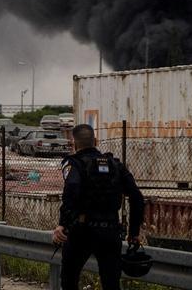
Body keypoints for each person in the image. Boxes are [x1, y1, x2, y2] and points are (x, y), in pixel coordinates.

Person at [52, 123, 145, 290]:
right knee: (111, 283)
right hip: (110, 231)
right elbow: (137, 197)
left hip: (82, 231)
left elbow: (72, 189)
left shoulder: (74, 164)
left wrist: (62, 223)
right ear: (95, 141)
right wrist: (133, 232)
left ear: (74, 143)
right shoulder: (115, 165)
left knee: (69, 280)